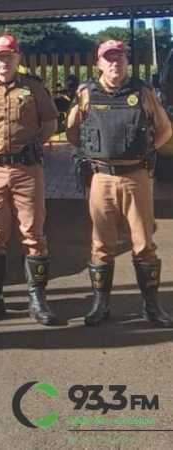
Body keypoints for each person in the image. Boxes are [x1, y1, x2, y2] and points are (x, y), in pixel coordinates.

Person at [65, 40, 173, 327]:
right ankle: (101, 305)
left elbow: (164, 130)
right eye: (109, 58)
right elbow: (73, 133)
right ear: (98, 63)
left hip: (136, 177)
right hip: (101, 178)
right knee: (101, 244)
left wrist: (147, 152)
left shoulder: (143, 92)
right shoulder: (86, 93)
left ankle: (151, 306)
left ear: (127, 62)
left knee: (144, 244)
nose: (115, 63)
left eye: (120, 58)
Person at [0, 34, 59, 325]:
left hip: (26, 170)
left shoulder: (33, 88)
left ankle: (37, 298)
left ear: (18, 57)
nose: (4, 61)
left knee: (33, 233)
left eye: (9, 55)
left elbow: (51, 122)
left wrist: (33, 146)